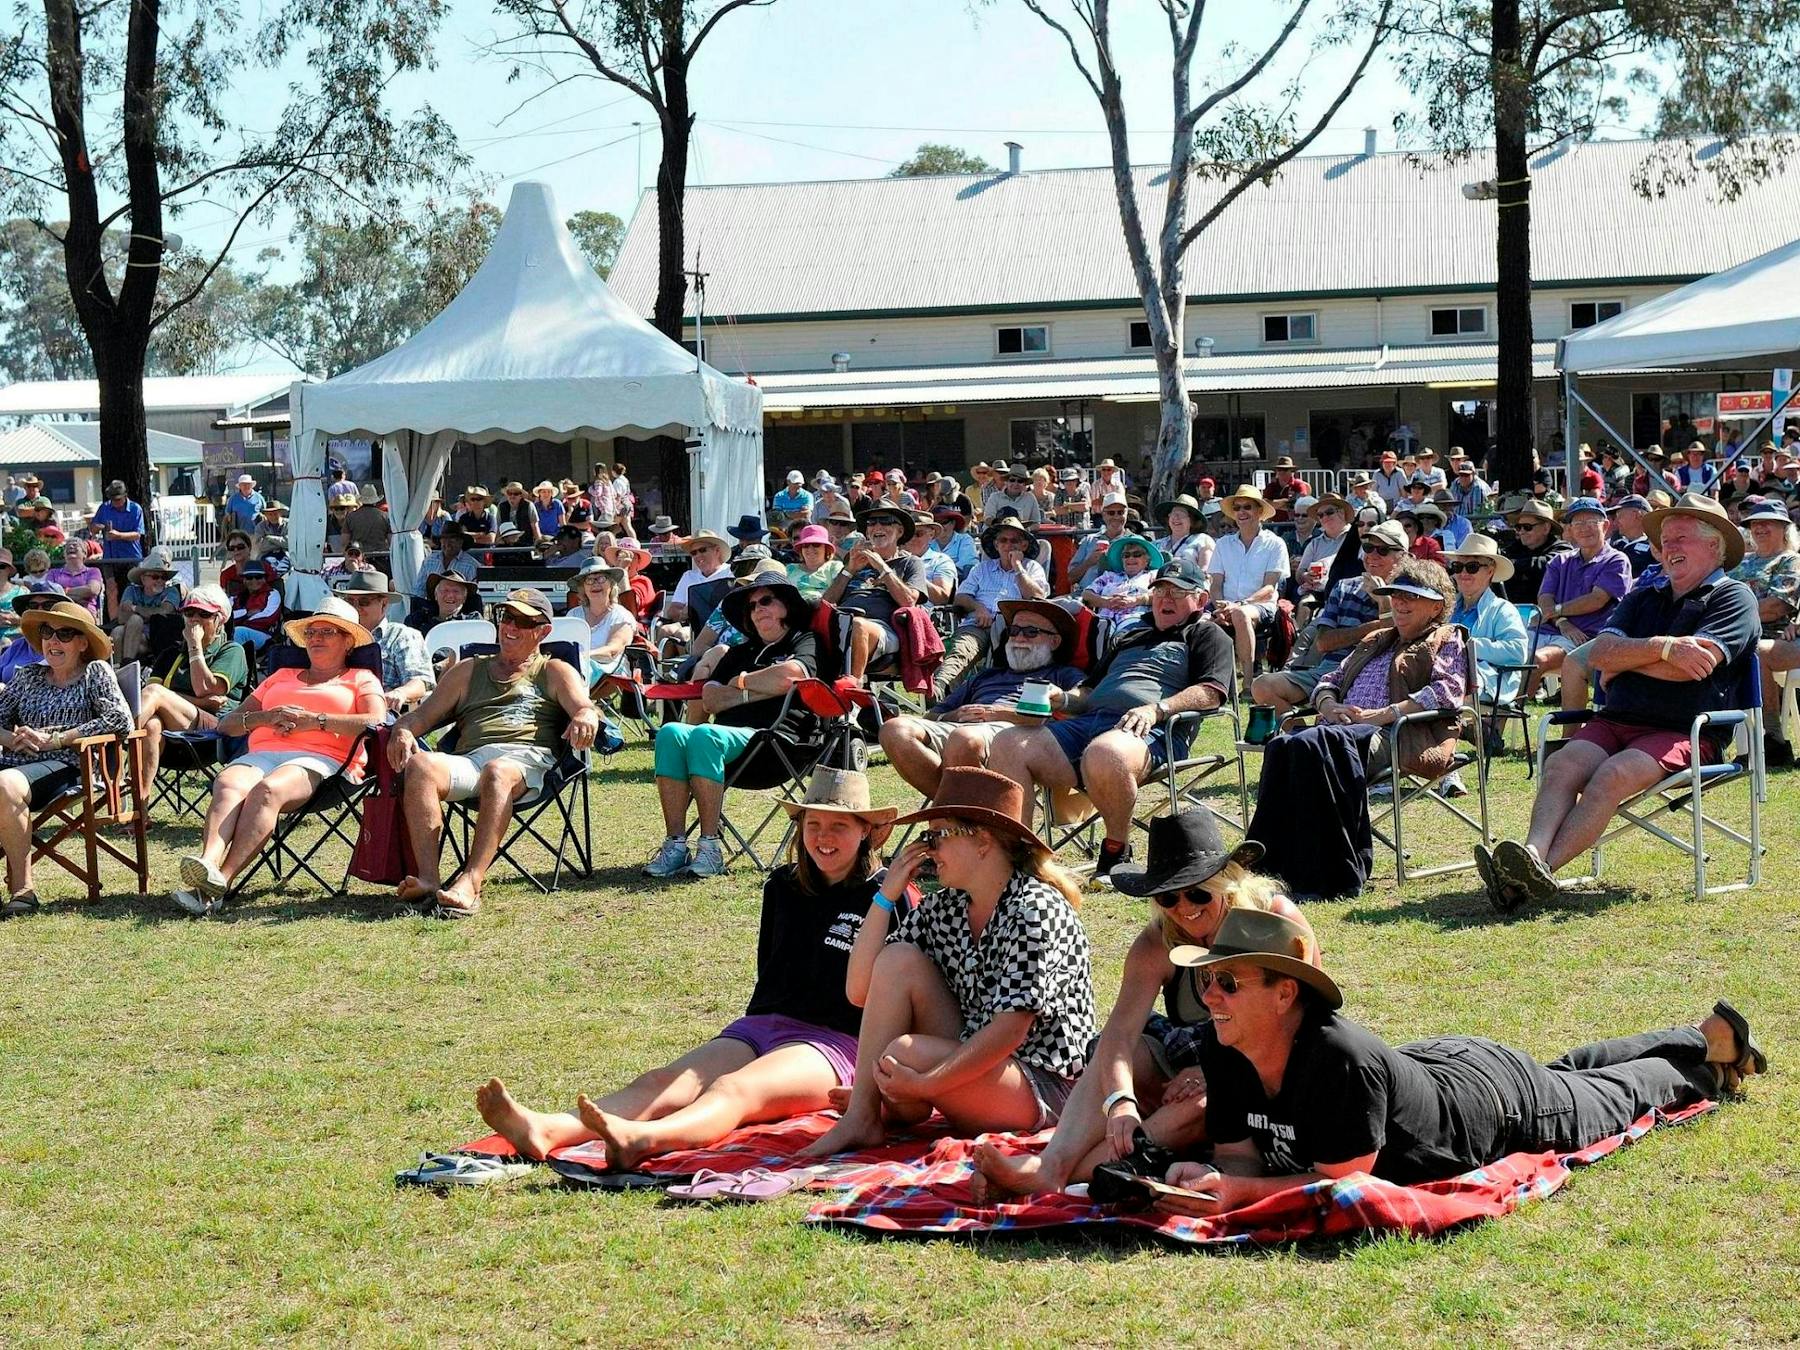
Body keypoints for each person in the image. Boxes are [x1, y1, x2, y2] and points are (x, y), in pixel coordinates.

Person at [1137, 909, 1763, 1218]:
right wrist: (1210, 1179)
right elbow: (1242, 1158)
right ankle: (1694, 1037)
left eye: (1228, 982)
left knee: (1606, 1100)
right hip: (1435, 1068)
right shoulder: (1226, 1043)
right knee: (1569, 1075)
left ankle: (1705, 1054)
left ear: (1285, 993)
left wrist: (1239, 1190)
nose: (1210, 996)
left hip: (1489, 1104)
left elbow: (1342, 1185)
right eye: (1210, 978)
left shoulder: (1337, 1060)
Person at [476, 768, 901, 1165]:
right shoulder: (782, 886)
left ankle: (644, 1140)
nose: (824, 837)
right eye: (814, 824)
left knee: (735, 1089)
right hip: (764, 1024)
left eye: (839, 826)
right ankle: (548, 1129)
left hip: (835, 1043)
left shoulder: (888, 897)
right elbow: (770, 972)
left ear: (866, 832)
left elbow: (899, 998)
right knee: (664, 1081)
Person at [971, 811, 1315, 1200]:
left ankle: (1060, 1172)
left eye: (1199, 892)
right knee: (1116, 1054)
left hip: (1264, 1071)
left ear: (1228, 883)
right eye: (1168, 896)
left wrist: (1215, 1071)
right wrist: (1120, 1101)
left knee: (1200, 1104)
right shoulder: (1157, 942)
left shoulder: (1275, 922)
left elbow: (1309, 1023)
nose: (1184, 907)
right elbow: (1119, 1034)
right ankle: (1055, 1164)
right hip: (1190, 1058)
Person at [1478, 495, 1759, 909]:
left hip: (1684, 728)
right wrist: (1664, 648)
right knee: (1560, 766)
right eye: (1664, 541)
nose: (1668, 549)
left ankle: (1535, 876)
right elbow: (1599, 653)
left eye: (1681, 538)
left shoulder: (1733, 599)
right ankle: (1531, 856)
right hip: (1618, 719)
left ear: (1715, 547)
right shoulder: (1646, 595)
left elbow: (1693, 668)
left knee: (1611, 775)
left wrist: (1629, 661)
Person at [802, 768, 1097, 1158]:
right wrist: (885, 895)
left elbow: (1010, 1030)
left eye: (937, 835)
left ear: (982, 842)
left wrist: (925, 1085)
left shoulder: (1034, 909)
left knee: (901, 1056)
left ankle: (876, 1110)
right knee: (896, 961)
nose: (928, 849)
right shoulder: (947, 906)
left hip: (1045, 1088)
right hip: (981, 1064)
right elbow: (859, 990)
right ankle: (864, 1114)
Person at [987, 559, 1235, 879]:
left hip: (1151, 729)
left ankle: (1116, 852)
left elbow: (1211, 692)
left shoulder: (1207, 634)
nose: (1165, 599)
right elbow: (1088, 691)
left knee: (1106, 753)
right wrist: (1061, 697)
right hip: (1087, 724)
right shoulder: (1130, 636)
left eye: (1177, 592)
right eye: (1160, 591)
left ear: (1200, 600)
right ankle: (1021, 855)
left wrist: (1156, 709)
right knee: (1008, 742)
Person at [1248, 557, 1468, 900]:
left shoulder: (1447, 638)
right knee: (1284, 746)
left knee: (1318, 743)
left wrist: (1380, 715)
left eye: (1410, 597)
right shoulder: (1377, 638)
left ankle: (1336, 871)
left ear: (1436, 605)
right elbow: (1329, 679)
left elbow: (1445, 693)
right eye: (1395, 595)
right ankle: (1271, 865)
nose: (1399, 603)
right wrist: (1328, 705)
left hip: (1399, 734)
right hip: (1340, 729)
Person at [388, 588, 601, 919]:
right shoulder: (468, 670)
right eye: (505, 618)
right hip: (471, 759)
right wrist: (402, 729)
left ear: (543, 631)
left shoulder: (554, 670)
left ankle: (471, 881)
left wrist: (585, 717)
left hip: (527, 760)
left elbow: (584, 708)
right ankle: (429, 878)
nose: (509, 627)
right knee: (420, 765)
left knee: (498, 771)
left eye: (522, 621)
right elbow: (422, 716)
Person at [170, 598, 386, 916]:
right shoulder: (281, 675)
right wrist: (266, 717)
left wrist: (317, 720)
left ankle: (217, 884)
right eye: (312, 632)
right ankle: (209, 862)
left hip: (323, 760)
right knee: (228, 781)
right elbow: (227, 724)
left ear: (348, 641)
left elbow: (376, 722)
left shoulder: (360, 679)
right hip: (264, 753)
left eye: (327, 632)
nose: (316, 638)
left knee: (268, 790)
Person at [642, 572, 821, 879]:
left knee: (705, 734)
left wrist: (739, 684)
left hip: (777, 744)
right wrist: (759, 689)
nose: (758, 609)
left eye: (766, 601)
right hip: (730, 748)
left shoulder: (804, 640)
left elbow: (790, 676)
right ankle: (675, 844)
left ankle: (710, 848)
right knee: (671, 732)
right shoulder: (741, 651)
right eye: (752, 606)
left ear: (787, 606)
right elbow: (710, 698)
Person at [0, 601, 133, 916]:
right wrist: (11, 739)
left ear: (83, 643)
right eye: (48, 632)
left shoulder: (94, 672)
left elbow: (120, 719)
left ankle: (23, 890)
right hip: (19, 761)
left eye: (65, 634)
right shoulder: (29, 675)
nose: (53, 641)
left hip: (74, 766)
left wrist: (57, 739)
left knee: (4, 785)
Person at [880, 599, 1085, 797]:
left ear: (1054, 641)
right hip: (963, 728)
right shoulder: (986, 675)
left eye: (1031, 632)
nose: (1019, 638)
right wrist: (953, 715)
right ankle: (959, 813)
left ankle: (963, 819)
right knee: (894, 730)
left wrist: (997, 714)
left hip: (1017, 737)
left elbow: (1084, 700)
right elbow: (932, 715)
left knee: (965, 739)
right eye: (1013, 631)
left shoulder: (1062, 674)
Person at [1251, 520, 1405, 718]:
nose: (1373, 555)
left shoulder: (1407, 593)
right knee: (1262, 686)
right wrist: (1378, 625)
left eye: (1383, 550)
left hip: (1374, 677)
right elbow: (1323, 643)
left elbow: (1399, 643)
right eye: (1368, 547)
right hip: (1329, 671)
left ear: (1402, 557)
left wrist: (1384, 603)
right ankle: (1299, 738)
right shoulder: (1344, 587)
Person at [134, 585, 253, 788]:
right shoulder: (170, 654)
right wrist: (199, 702)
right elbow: (153, 697)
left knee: (155, 692)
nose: (194, 619)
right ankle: (141, 812)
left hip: (211, 736)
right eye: (189, 612)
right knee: (152, 724)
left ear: (219, 619)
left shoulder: (232, 651)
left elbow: (204, 688)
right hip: (170, 732)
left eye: (204, 613)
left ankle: (112, 741)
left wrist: (194, 646)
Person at [1526, 498, 1631, 699]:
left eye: (1591, 522)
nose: (1584, 529)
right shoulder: (1560, 560)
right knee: (1507, 655)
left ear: (1606, 526)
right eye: (1578, 523)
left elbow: (1596, 599)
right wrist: (1562, 621)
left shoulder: (1616, 560)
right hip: (1551, 630)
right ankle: (1487, 718)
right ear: (1571, 530)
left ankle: (1501, 718)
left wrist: (1555, 612)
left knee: (1536, 660)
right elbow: (1544, 598)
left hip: (1587, 639)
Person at [937, 512, 1049, 696]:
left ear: (1024, 545)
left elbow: (1038, 597)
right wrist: (977, 607)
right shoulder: (982, 568)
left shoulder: (1031, 568)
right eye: (1003, 541)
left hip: (1016, 630)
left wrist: (1018, 568)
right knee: (962, 650)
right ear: (996, 545)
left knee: (1016, 661)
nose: (1008, 545)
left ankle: (1001, 699)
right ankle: (940, 690)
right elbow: (960, 596)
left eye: (1014, 541)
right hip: (980, 624)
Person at [821, 504, 926, 684]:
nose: (877, 527)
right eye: (871, 523)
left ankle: (852, 690)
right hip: (841, 624)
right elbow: (826, 603)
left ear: (899, 531)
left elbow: (908, 602)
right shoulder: (854, 562)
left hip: (885, 631)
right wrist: (849, 569)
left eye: (885, 522)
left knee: (858, 625)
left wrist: (881, 566)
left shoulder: (911, 562)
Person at [1207, 484, 1286, 690]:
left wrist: (1239, 605)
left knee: (1241, 614)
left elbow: (1269, 588)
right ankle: (1209, 684)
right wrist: (1219, 607)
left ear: (1260, 511)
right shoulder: (1223, 544)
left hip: (1261, 606)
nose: (1241, 512)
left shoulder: (1275, 544)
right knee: (1199, 619)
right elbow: (1215, 585)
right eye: (1238, 508)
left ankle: (1248, 684)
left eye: (1247, 507)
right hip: (1226, 606)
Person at [1443, 533, 1530, 708]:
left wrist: (1469, 646)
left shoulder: (1503, 609)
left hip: (1486, 680)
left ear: (1490, 571)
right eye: (1458, 566)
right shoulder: (1448, 608)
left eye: (1472, 567)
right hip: (1445, 673)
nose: (1463, 573)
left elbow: (1518, 652)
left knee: (1447, 685)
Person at [330, 571, 433, 712]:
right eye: (350, 601)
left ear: (384, 605)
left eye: (364, 602)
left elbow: (419, 681)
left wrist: (400, 693)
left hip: (381, 713)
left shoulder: (400, 635)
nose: (356, 607)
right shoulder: (335, 634)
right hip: (336, 707)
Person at [108, 546, 185, 664]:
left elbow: (165, 611)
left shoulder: (171, 591)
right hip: (133, 637)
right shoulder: (131, 590)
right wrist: (149, 613)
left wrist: (135, 608)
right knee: (118, 631)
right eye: (155, 576)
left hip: (156, 639)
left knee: (135, 619)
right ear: (143, 579)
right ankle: (120, 669)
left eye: (163, 577)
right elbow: (122, 618)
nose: (160, 580)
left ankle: (126, 664)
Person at [659, 530, 733, 649]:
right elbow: (672, 611)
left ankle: (691, 666)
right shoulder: (688, 576)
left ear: (717, 550)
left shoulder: (731, 573)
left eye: (703, 550)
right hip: (692, 624)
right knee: (665, 630)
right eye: (694, 553)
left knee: (681, 635)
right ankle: (668, 668)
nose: (698, 556)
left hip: (721, 625)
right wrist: (684, 612)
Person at [569, 560, 636, 683]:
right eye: (589, 580)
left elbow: (612, 652)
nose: (595, 584)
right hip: (573, 667)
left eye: (601, 578)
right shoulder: (574, 615)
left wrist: (582, 656)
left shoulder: (621, 615)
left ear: (611, 584)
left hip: (610, 671)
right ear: (583, 588)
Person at [1082, 534, 1162, 633]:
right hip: (1104, 620)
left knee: (1121, 633)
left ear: (1147, 560)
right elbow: (1086, 595)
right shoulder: (1109, 576)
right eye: (1126, 555)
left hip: (1136, 620)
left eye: (1137, 554)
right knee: (1097, 629)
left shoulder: (1153, 575)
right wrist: (1106, 602)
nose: (1130, 558)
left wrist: (1136, 600)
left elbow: (1163, 595)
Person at [90, 478, 146, 615]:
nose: (115, 503)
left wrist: (118, 535)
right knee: (110, 588)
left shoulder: (135, 509)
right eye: (113, 499)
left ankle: (133, 619)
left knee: (133, 589)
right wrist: (96, 527)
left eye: (118, 499)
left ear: (125, 496)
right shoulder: (104, 508)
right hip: (110, 557)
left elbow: (138, 534)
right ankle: (114, 622)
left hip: (131, 557)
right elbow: (92, 528)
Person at [1501, 499, 1571, 605]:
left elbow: (1551, 563)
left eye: (1527, 527)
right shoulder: (1513, 548)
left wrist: (1511, 565)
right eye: (1519, 527)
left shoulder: (1562, 549)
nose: (1522, 532)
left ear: (1546, 528)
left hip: (1550, 616)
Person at [1068, 493, 1133, 590]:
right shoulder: (1089, 540)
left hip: (1120, 596)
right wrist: (1089, 562)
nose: (1116, 517)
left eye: (1120, 512)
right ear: (1103, 514)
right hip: (1083, 596)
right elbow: (1070, 578)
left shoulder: (1135, 542)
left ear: (1126, 514)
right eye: (1111, 513)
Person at [904, 510, 960, 605]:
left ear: (931, 535)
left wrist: (912, 576)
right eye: (908, 533)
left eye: (918, 534)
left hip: (925, 615)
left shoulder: (940, 561)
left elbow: (944, 597)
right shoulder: (893, 557)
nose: (912, 538)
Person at [414, 521, 479, 602]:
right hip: (431, 608)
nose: (447, 543)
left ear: (461, 541)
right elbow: (419, 590)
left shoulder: (471, 565)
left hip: (460, 609)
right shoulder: (429, 561)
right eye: (444, 539)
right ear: (440, 541)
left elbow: (473, 596)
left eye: (452, 539)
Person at [229, 560, 283, 652]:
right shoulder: (237, 596)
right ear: (244, 580)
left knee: (238, 632)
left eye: (258, 577)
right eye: (249, 577)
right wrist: (246, 613)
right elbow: (226, 615)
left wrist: (240, 621)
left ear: (264, 579)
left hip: (265, 634)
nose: (254, 581)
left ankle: (238, 665)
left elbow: (268, 617)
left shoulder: (272, 594)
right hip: (238, 629)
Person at [784, 524, 844, 603]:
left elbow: (838, 593)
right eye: (806, 545)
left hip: (823, 609)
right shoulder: (789, 569)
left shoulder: (834, 567)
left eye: (816, 544)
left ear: (826, 548)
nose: (810, 549)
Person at [47, 537, 103, 617]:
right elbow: (49, 593)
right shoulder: (53, 573)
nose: (71, 547)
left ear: (84, 553)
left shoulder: (93, 571)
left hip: (85, 613)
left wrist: (63, 592)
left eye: (75, 545)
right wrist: (79, 597)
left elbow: (92, 590)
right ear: (64, 554)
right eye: (67, 546)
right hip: (60, 612)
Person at [1155, 494, 1212, 571]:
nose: (1176, 518)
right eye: (1173, 513)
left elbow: (1205, 571)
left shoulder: (1203, 540)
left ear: (1192, 520)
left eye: (1182, 514)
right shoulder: (1156, 544)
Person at [1608, 494, 1656, 576]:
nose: (1616, 522)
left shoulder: (1655, 548)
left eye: (1619, 515)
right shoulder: (1614, 545)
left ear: (1637, 515)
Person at [339, 483, 391, 554]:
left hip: (359, 556)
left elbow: (344, 543)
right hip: (381, 556)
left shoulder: (351, 517)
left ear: (361, 500)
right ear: (375, 501)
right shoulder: (385, 516)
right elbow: (391, 541)